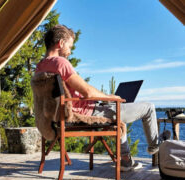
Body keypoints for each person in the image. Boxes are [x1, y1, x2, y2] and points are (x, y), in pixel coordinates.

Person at [35, 25, 163, 172]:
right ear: (60, 43)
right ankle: (154, 146)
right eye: (70, 46)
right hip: (83, 114)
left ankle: (126, 160)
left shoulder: (40, 67)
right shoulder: (60, 63)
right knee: (149, 107)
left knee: (117, 116)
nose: (70, 51)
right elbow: (87, 92)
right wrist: (109, 97)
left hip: (56, 117)